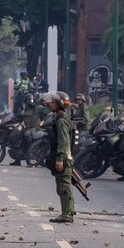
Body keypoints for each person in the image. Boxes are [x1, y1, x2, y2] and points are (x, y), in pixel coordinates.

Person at [46, 92, 75, 223]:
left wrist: (60, 159)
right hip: (65, 157)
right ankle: (67, 212)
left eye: (53, 102)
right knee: (62, 186)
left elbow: (63, 141)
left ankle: (67, 214)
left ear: (59, 104)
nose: (50, 104)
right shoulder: (59, 118)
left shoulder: (62, 121)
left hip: (64, 158)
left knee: (64, 186)